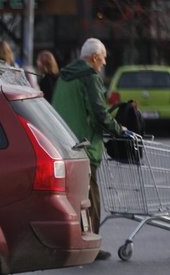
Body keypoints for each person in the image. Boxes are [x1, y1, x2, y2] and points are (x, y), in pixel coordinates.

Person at [52, 38, 128, 261]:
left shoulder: (65, 77)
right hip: (85, 145)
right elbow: (99, 112)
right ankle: (91, 242)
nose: (103, 64)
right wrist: (118, 130)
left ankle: (72, 238)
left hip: (62, 142)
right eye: (103, 59)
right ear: (95, 57)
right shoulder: (89, 76)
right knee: (90, 195)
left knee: (72, 195)